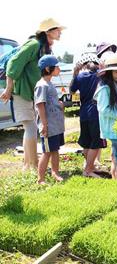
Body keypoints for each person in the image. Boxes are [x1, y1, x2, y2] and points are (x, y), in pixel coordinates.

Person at [0, 18, 65, 171]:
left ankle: (28, 165)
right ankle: (33, 166)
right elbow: (13, 64)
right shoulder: (34, 45)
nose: (60, 32)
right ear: (48, 32)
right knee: (31, 126)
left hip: (32, 93)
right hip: (22, 91)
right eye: (57, 30)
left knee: (31, 127)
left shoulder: (44, 47)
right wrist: (9, 88)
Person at [70, 53, 107, 177]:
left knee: (87, 141)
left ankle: (88, 166)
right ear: (97, 65)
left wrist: (75, 72)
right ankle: (88, 170)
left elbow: (72, 90)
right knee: (96, 143)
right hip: (95, 111)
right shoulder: (100, 76)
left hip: (83, 111)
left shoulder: (80, 76)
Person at [34, 55, 66, 184]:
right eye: (57, 66)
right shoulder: (42, 85)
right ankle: (40, 179)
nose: (59, 69)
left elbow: (50, 102)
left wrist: (59, 104)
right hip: (49, 126)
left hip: (55, 126)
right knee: (46, 152)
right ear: (48, 68)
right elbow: (40, 105)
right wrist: (44, 125)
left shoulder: (50, 83)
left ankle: (55, 173)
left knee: (55, 150)